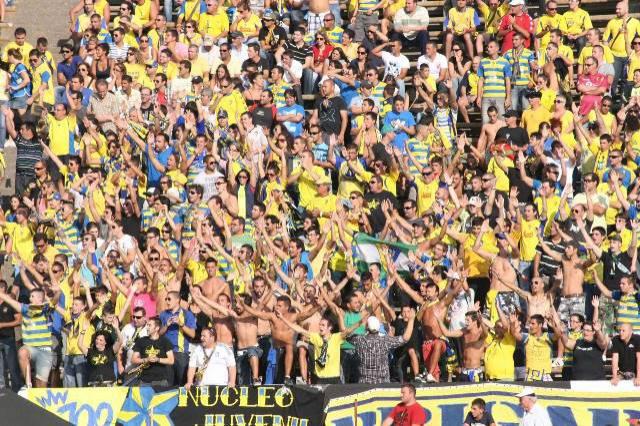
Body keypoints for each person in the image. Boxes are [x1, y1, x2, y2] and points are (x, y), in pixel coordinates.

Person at [131, 316, 175, 386]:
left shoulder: (165, 341)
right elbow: (133, 359)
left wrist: (158, 359)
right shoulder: (141, 341)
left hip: (161, 381)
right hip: (144, 380)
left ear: (157, 328)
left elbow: (171, 360)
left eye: (149, 325)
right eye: (147, 325)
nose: (147, 328)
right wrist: (146, 359)